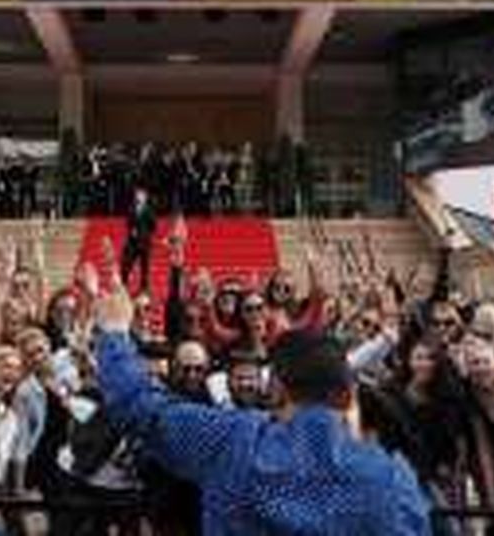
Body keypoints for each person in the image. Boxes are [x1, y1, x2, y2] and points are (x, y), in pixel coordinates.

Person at [93, 276, 430, 535]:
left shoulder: (231, 439)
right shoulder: (391, 478)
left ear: (277, 388)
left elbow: (140, 406)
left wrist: (114, 333)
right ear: (347, 394)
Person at [121, 186, 157, 297]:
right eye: (137, 195)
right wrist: (132, 231)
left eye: (141, 195)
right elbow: (128, 223)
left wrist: (144, 233)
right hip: (132, 242)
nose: (138, 197)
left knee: (144, 268)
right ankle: (124, 284)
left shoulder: (149, 209)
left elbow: (153, 225)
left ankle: (144, 289)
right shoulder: (131, 208)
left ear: (145, 198)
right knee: (126, 263)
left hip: (144, 242)